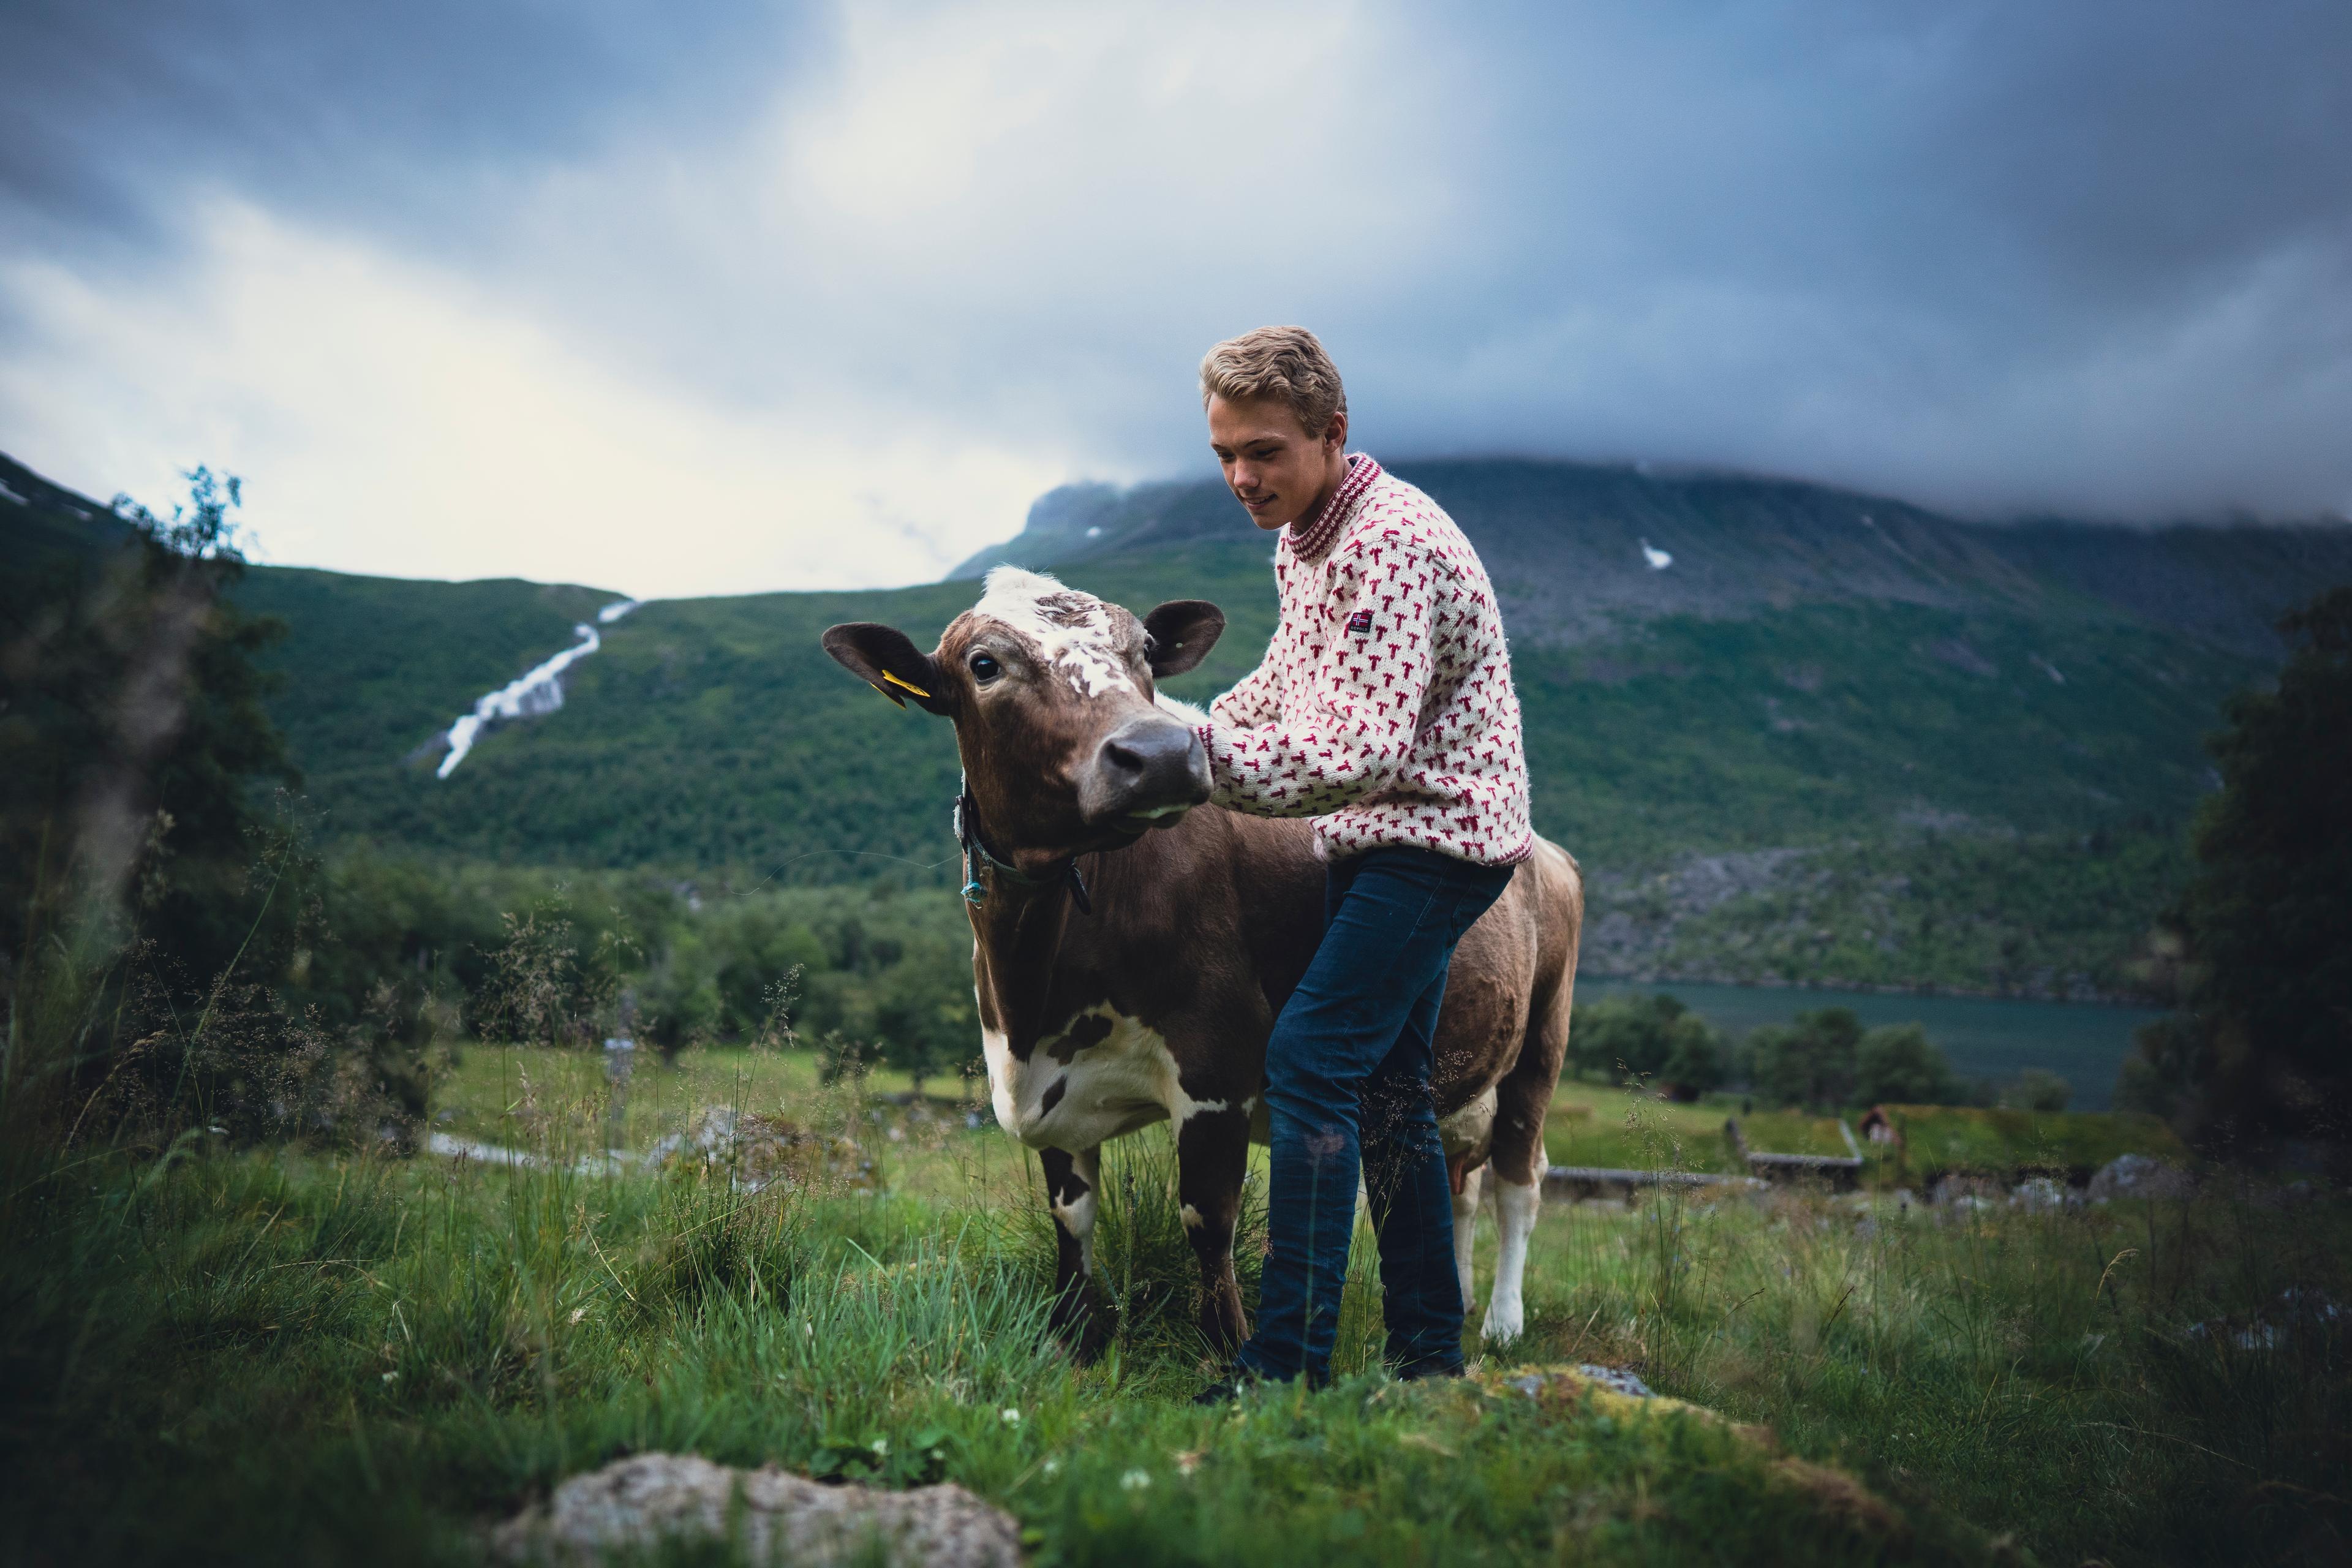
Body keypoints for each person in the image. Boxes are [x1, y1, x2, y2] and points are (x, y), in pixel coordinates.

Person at [1187, 326, 1534, 1396]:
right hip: (1384, 834)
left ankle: (1285, 1361)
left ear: (1334, 434)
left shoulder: (1384, 544)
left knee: (1309, 1062)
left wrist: (1195, 768)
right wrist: (1178, 724)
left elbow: (1358, 747)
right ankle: (1430, 1356)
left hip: (1436, 840)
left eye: (1267, 451)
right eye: (1226, 455)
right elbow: (1284, 685)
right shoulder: (1310, 533)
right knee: (1387, 1093)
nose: (1243, 477)